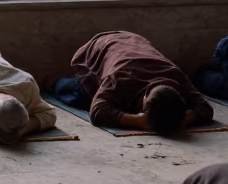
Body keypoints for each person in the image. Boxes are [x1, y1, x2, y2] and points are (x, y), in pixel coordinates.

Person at [69, 32, 213, 134]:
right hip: (97, 47)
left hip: (135, 41)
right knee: (81, 98)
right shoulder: (121, 77)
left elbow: (205, 108)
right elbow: (97, 112)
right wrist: (136, 120)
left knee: (116, 104)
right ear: (145, 100)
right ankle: (57, 81)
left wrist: (185, 119)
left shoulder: (177, 77)